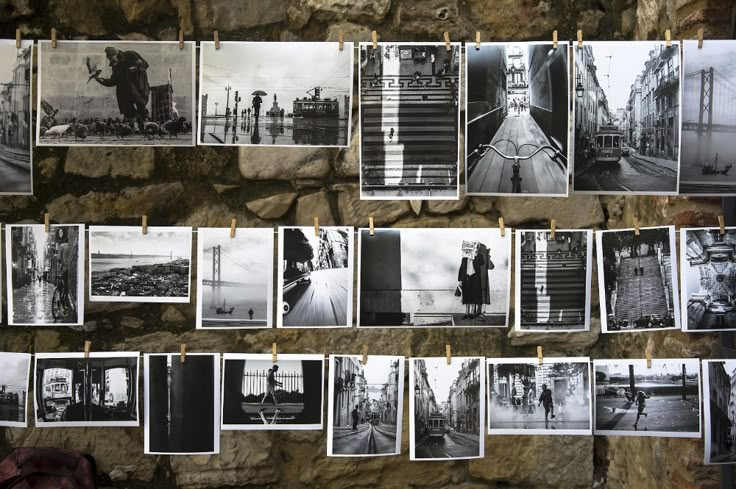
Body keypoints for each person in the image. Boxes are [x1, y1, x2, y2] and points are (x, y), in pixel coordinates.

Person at [93, 47, 150, 130]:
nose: (113, 64)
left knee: (140, 105)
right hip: (125, 91)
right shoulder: (116, 67)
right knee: (128, 109)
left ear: (117, 55)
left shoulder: (131, 55)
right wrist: (99, 79)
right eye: (112, 62)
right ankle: (135, 125)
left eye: (114, 60)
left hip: (138, 87)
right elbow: (112, 82)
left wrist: (136, 68)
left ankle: (145, 124)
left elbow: (145, 64)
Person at [458, 243, 485, 319]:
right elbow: (461, 268)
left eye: (476, 247)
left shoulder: (479, 256)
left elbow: (482, 263)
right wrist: (459, 279)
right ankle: (467, 313)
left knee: (474, 294)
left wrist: (476, 255)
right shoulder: (464, 258)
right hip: (466, 277)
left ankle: (473, 313)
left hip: (475, 277)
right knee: (466, 294)